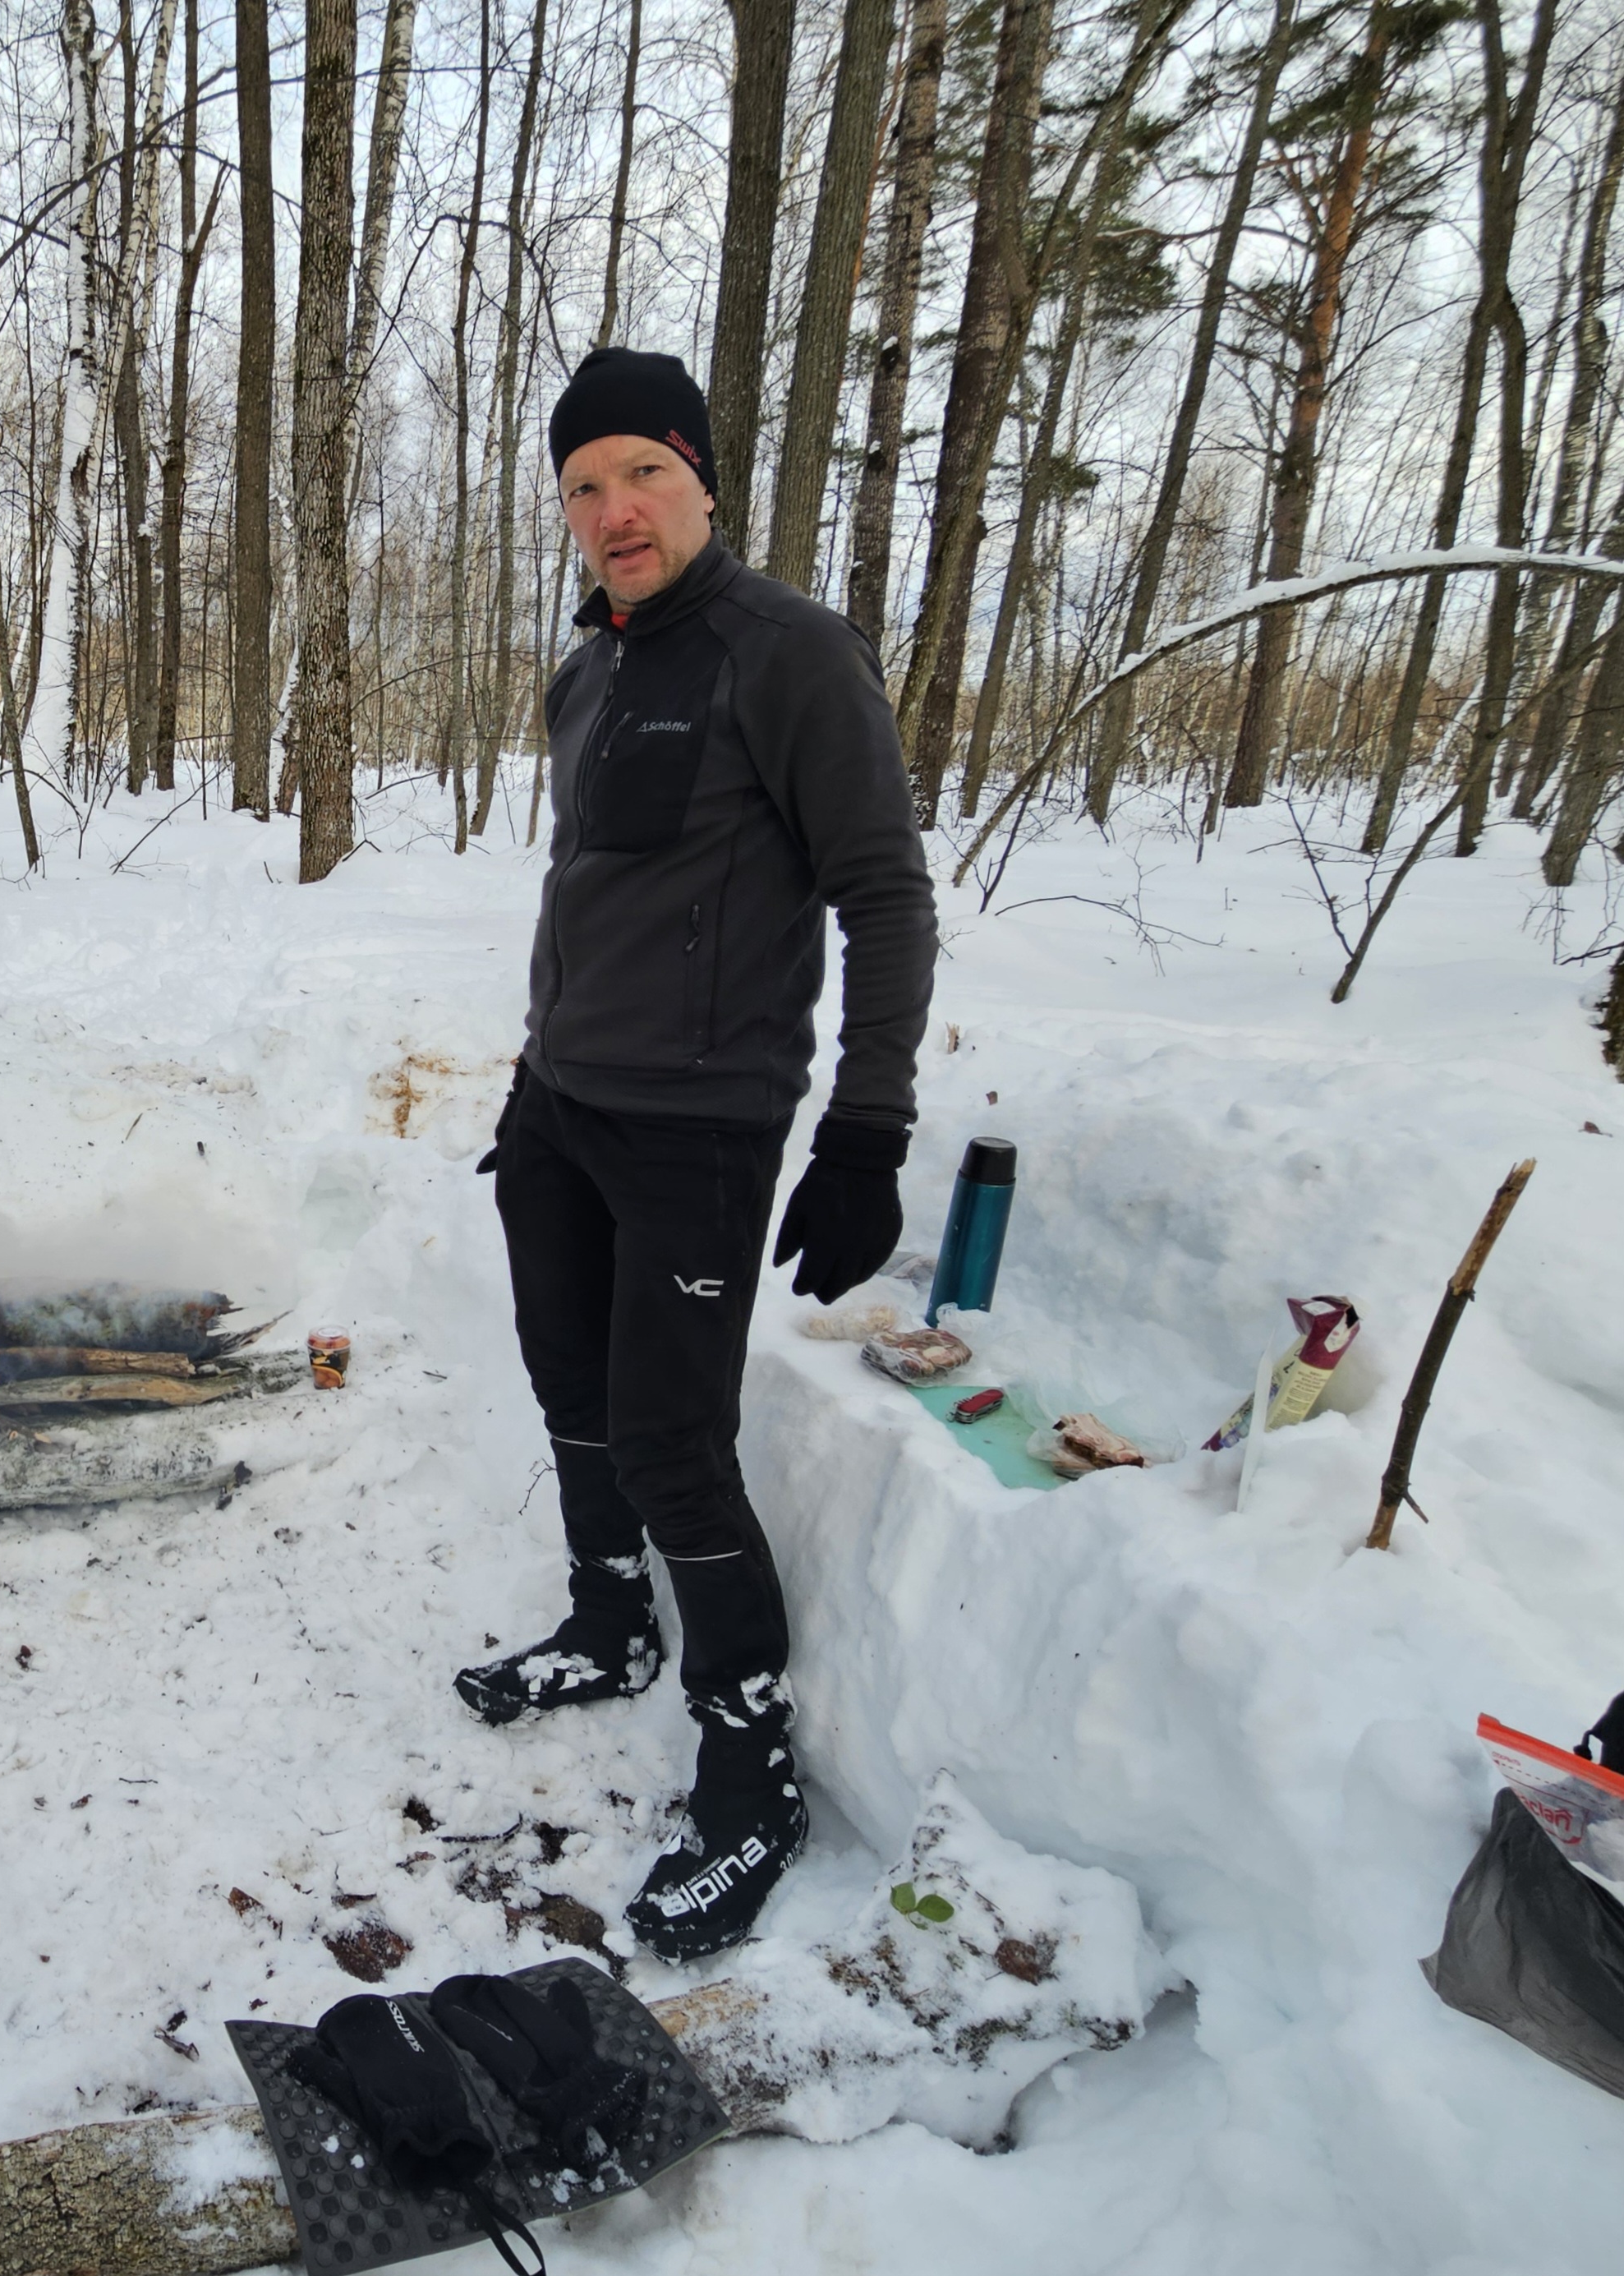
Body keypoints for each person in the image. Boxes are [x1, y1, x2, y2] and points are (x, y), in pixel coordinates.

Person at [459, 345, 937, 1961]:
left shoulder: (788, 652)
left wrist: (867, 1125)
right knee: (569, 1387)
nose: (615, 510)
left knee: (674, 1444)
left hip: (699, 1133)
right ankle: (611, 1622)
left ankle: (751, 1767)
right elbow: (591, 894)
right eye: (583, 485)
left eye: (643, 473)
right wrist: (533, 1080)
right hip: (561, 1110)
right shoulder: (588, 670)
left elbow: (885, 894)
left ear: (704, 481)